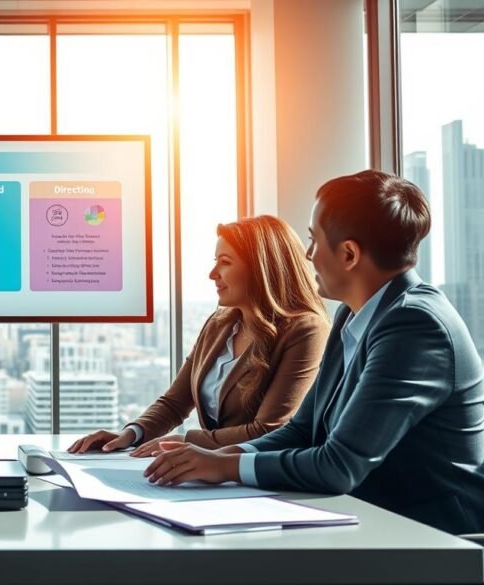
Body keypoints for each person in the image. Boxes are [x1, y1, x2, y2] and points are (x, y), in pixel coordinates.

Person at [144, 170, 484, 535]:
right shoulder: (353, 315)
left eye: (313, 240)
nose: (307, 255)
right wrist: (220, 457)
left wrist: (223, 469)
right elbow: (303, 430)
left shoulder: (415, 325)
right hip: (373, 518)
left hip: (435, 537)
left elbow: (338, 465)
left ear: (349, 254)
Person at [69, 215, 329, 455]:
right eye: (215, 262)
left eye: (225, 262)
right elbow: (175, 403)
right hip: (210, 472)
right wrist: (130, 434)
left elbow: (268, 430)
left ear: (262, 267)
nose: (212, 274)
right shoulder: (220, 324)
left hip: (261, 476)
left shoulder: (306, 330)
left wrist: (186, 442)